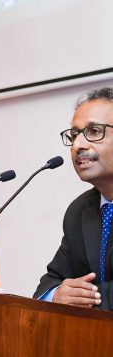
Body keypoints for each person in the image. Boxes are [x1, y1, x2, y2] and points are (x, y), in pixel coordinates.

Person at [34, 86, 113, 310]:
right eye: (74, 135)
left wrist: (84, 299)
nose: (78, 145)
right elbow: (50, 282)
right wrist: (58, 295)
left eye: (94, 131)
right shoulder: (79, 211)